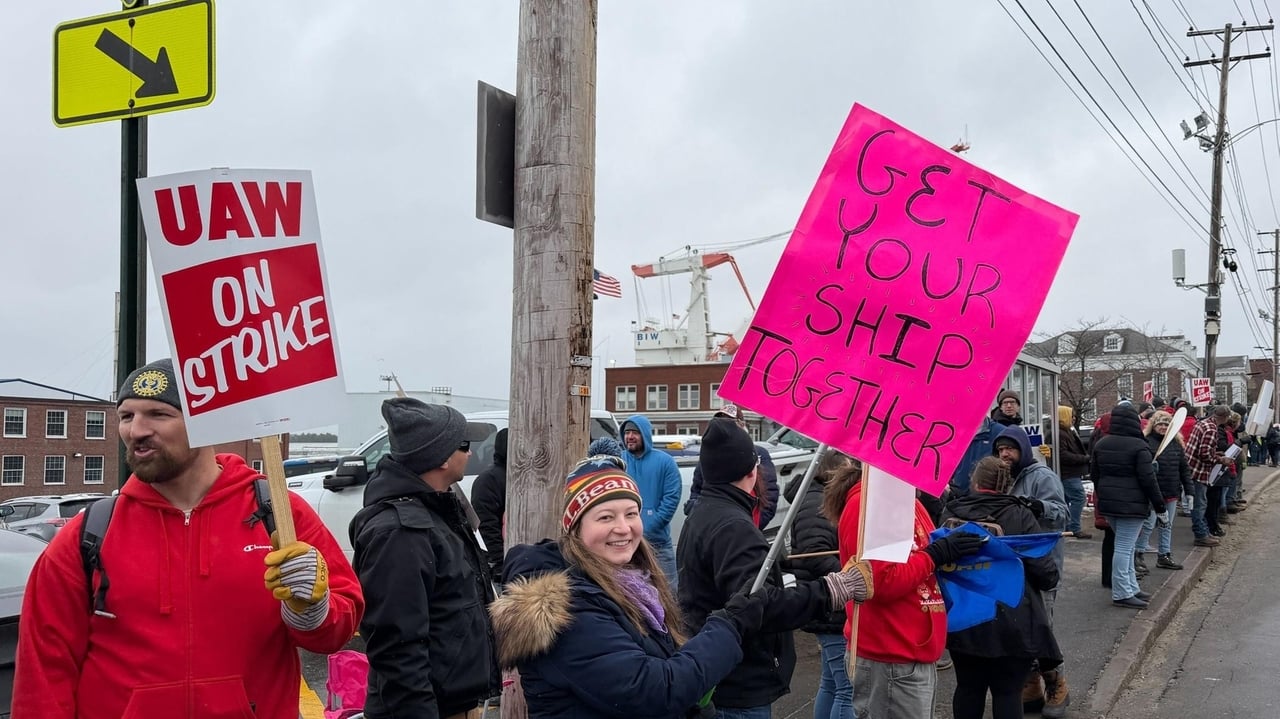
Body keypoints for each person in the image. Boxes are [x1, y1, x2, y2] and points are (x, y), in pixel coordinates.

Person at [12, 358, 364, 719]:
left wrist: (311, 611)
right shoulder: (90, 532)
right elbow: (43, 672)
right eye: (127, 416)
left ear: (206, 426)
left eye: (158, 414)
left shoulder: (279, 512)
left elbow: (336, 633)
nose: (137, 431)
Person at [489, 455, 761, 718]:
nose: (623, 528)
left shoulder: (630, 585)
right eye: (606, 517)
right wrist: (728, 627)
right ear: (575, 528)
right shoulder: (565, 611)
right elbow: (652, 690)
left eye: (631, 513)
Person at [678, 419, 872, 718]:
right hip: (740, 680)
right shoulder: (733, 527)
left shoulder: (703, 512)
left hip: (720, 668)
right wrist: (829, 590)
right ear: (753, 471)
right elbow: (760, 608)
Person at [350, 397, 498, 719]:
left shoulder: (437, 513)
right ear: (441, 458)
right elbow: (398, 648)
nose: (470, 452)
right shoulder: (400, 533)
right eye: (463, 445)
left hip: (456, 702)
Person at [827, 455, 985, 719]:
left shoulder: (907, 501)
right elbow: (880, 582)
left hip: (912, 653)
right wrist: (935, 555)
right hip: (891, 656)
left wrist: (952, 553)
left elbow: (923, 561)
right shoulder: (868, 504)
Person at [940, 457, 1061, 719]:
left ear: (974, 482)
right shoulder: (1019, 515)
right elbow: (1046, 573)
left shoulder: (951, 513)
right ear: (1007, 486)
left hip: (963, 615)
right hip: (1011, 616)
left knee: (968, 687)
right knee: (1007, 692)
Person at [990, 426, 1069, 714]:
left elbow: (1063, 514)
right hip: (1012, 568)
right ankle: (1032, 683)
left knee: (1042, 628)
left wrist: (1037, 506)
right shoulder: (1002, 478)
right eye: (1000, 450)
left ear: (1022, 449)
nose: (1005, 454)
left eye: (1009, 449)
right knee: (1020, 630)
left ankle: (1057, 683)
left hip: (1041, 566)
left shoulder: (1042, 476)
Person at [783, 450, 857, 719]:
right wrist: (852, 579)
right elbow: (816, 554)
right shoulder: (817, 504)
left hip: (826, 603)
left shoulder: (819, 499)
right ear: (834, 473)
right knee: (847, 689)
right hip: (830, 605)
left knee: (831, 682)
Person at [1091, 403, 1165, 609]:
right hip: (1133, 505)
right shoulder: (1139, 446)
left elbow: (1095, 476)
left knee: (1126, 546)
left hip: (1109, 503)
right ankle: (1123, 592)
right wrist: (1160, 506)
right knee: (1125, 547)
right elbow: (1148, 480)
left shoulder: (1102, 444)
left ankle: (1131, 588)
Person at [685, 405, 779, 529]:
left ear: (741, 425)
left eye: (729, 422)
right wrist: (701, 514)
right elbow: (696, 492)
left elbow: (769, 497)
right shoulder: (707, 457)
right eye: (720, 422)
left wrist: (750, 526)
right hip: (713, 528)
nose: (724, 427)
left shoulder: (758, 454)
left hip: (746, 527)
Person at [620, 414, 684, 587]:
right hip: (625, 547)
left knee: (669, 596)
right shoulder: (619, 462)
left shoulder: (665, 462)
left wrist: (645, 531)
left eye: (635, 432)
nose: (630, 436)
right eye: (627, 432)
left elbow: (670, 500)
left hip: (659, 546)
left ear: (645, 435)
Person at [1139, 410, 1192, 570]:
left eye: (1166, 424)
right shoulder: (1146, 442)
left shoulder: (1176, 443)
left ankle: (1164, 555)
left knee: (1166, 524)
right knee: (1149, 524)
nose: (1163, 427)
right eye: (1160, 424)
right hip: (1153, 492)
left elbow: (1184, 469)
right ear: (1153, 425)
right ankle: (1138, 554)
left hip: (1171, 491)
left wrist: (1189, 491)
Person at [1185, 405, 1235, 545]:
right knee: (1200, 504)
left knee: (1200, 502)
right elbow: (1204, 454)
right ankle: (1201, 534)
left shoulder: (1203, 423)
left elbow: (1203, 449)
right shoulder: (1211, 429)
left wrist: (1215, 453)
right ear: (1225, 418)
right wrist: (1220, 459)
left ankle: (1204, 531)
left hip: (1191, 467)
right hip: (1198, 470)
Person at [471, 427, 509, 578]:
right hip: (505, 562)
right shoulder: (489, 480)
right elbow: (486, 524)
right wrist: (502, 562)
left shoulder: (527, 475)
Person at [1054, 406, 1091, 539]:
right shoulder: (1061, 433)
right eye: (1071, 416)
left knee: (1067, 499)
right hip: (1068, 473)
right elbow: (1063, 455)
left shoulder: (1065, 432)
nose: (1074, 418)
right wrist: (1084, 458)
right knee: (1079, 498)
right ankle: (1074, 527)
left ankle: (1067, 526)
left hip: (1069, 473)